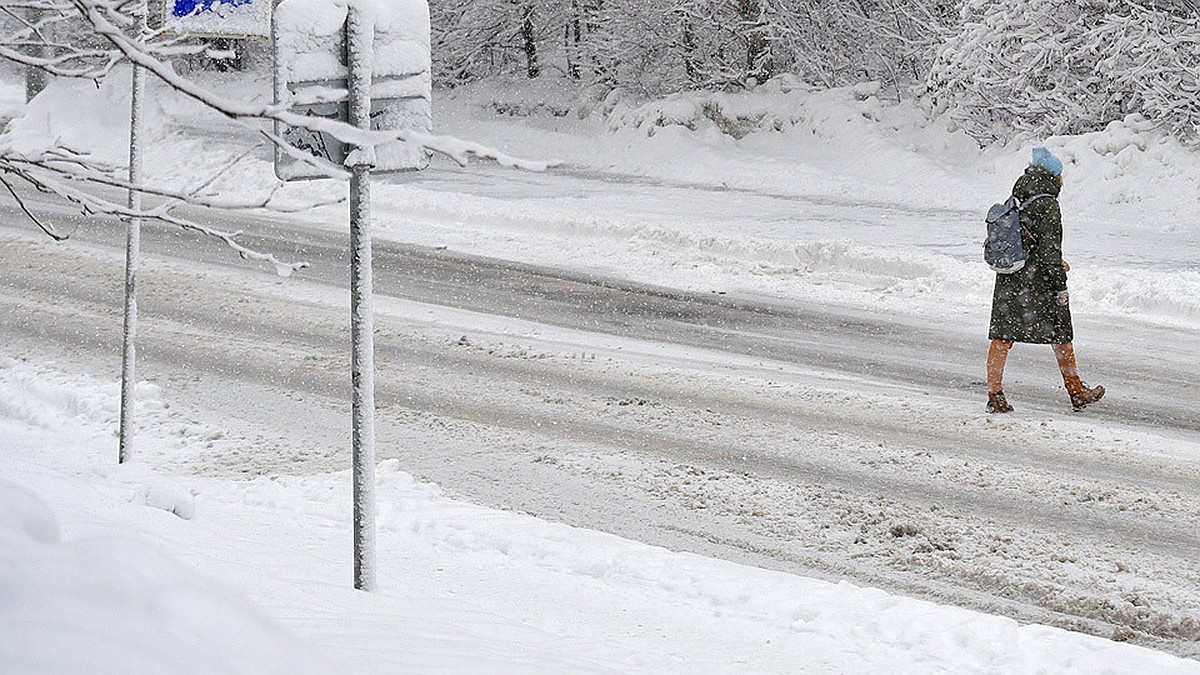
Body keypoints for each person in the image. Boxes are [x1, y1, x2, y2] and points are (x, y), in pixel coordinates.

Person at [986, 146, 1104, 413]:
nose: (1063, 181)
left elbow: (1027, 239)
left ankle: (995, 395)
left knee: (1002, 337)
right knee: (1061, 333)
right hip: (1036, 282)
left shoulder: (1018, 196)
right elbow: (1050, 251)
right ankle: (1076, 392)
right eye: (1061, 175)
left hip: (1010, 276)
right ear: (1054, 176)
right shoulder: (1048, 204)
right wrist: (1060, 284)